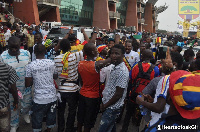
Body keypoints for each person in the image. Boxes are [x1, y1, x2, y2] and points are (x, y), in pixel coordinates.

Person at [121, 49, 160, 132]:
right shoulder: (155, 69)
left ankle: (124, 130)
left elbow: (130, 79)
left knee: (128, 114)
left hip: (134, 94)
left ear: (141, 57)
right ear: (152, 57)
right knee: (142, 117)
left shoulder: (135, 66)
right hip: (146, 97)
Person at [77, 43, 111, 132]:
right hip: (93, 97)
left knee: (80, 117)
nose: (97, 52)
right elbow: (109, 61)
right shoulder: (96, 65)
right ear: (92, 52)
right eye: (96, 50)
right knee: (89, 120)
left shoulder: (80, 64)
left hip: (82, 93)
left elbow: (81, 81)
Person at [1, 36, 31, 132]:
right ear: (7, 46)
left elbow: (30, 68)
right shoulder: (3, 56)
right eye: (11, 48)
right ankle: (14, 124)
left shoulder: (26, 53)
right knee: (14, 106)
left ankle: (25, 113)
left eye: (16, 47)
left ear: (20, 45)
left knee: (27, 104)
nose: (14, 50)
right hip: (12, 88)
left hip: (26, 86)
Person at [25, 44, 58, 132]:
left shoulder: (30, 65)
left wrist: (35, 78)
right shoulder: (51, 63)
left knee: (37, 120)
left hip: (39, 99)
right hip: (52, 97)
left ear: (34, 53)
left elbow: (27, 84)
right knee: (51, 117)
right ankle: (48, 130)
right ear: (45, 52)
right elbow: (55, 76)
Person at [98, 44, 129, 132]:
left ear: (123, 55)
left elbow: (118, 94)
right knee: (111, 128)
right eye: (112, 53)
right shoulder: (115, 66)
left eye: (117, 53)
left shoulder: (122, 71)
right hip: (108, 105)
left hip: (112, 108)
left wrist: (105, 106)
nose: (113, 55)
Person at [54, 39, 83, 132]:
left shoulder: (56, 59)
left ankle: (60, 129)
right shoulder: (75, 56)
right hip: (73, 89)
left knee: (61, 111)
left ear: (61, 48)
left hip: (61, 89)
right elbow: (88, 46)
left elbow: (55, 75)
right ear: (70, 47)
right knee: (72, 111)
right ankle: (69, 129)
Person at [0, 61, 19, 132]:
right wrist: (16, 101)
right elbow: (13, 88)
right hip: (3, 105)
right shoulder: (8, 68)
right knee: (4, 129)